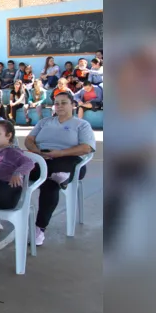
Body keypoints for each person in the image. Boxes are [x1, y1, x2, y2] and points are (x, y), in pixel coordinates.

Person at [24, 91, 96, 245]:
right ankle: (58, 177)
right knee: (45, 180)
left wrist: (61, 153)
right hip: (43, 158)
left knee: (52, 179)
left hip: (69, 160)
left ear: (73, 105)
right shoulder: (44, 122)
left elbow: (86, 148)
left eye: (64, 102)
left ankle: (39, 229)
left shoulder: (82, 125)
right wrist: (37, 152)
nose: (59, 106)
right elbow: (29, 140)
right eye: (57, 103)